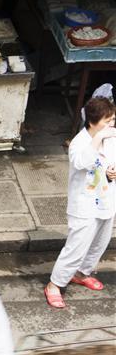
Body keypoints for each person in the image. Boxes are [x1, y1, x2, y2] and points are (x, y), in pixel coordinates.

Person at [45, 95, 116, 309]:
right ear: (93, 121)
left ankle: (82, 273)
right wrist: (98, 138)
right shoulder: (79, 143)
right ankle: (54, 285)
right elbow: (83, 161)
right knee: (76, 247)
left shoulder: (112, 140)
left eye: (113, 119)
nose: (112, 124)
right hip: (83, 205)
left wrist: (112, 172)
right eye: (108, 120)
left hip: (106, 201)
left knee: (99, 243)